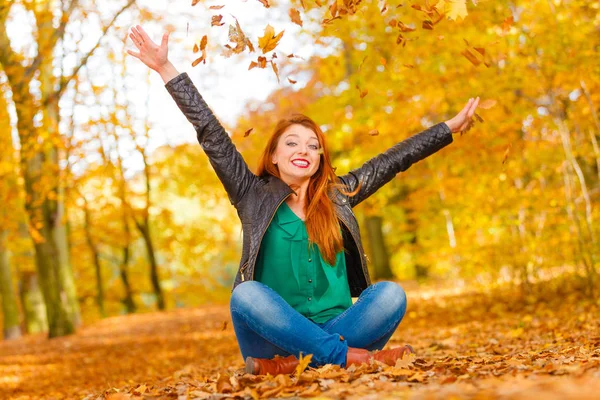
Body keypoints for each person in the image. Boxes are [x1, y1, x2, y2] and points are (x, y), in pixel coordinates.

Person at [127, 25, 480, 375]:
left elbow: (393, 161)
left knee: (390, 295)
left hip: (343, 327)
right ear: (275, 156)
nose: (304, 150)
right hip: (270, 337)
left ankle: (292, 366)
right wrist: (165, 68)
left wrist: (447, 128)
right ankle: (343, 359)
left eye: (313, 146)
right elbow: (211, 133)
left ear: (320, 159)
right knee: (246, 293)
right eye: (292, 143)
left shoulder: (340, 195)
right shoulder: (251, 194)